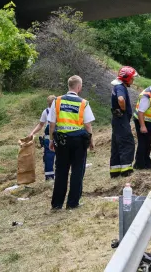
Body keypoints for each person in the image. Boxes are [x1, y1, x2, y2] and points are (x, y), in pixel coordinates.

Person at [47, 76, 95, 209]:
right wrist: (91, 141)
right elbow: (87, 125)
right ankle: (72, 203)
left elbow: (52, 124)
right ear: (79, 87)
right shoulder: (83, 103)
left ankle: (56, 204)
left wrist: (51, 140)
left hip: (61, 141)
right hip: (78, 141)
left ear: (69, 86)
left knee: (61, 171)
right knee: (77, 171)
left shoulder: (57, 101)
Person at [110, 66, 138, 178]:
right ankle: (126, 171)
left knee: (117, 145)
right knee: (127, 143)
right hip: (121, 120)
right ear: (127, 78)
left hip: (117, 120)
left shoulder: (117, 86)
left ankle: (115, 171)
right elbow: (121, 99)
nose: (133, 80)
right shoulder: (120, 87)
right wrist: (123, 109)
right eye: (132, 78)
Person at [26, 95, 57, 181]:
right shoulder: (46, 112)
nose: (51, 105)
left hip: (59, 137)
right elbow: (41, 124)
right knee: (48, 158)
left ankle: (59, 176)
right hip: (48, 139)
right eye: (50, 103)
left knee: (60, 158)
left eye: (52, 103)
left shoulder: (61, 111)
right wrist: (32, 133)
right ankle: (50, 177)